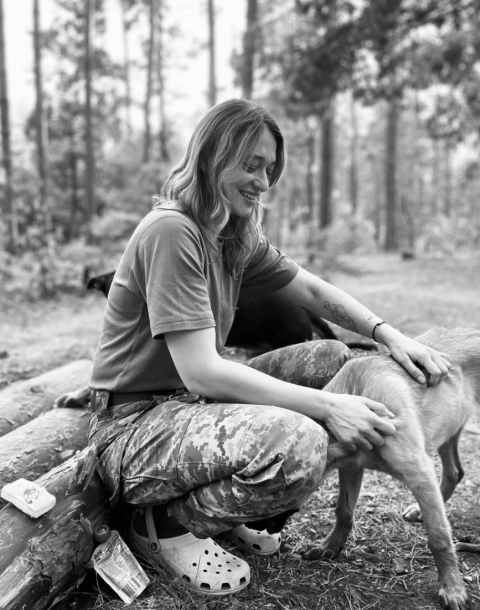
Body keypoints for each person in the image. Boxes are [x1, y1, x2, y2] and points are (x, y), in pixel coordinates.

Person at [88, 99, 450, 597]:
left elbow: (315, 291)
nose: (262, 181)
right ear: (213, 155)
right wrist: (328, 404)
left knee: (332, 357)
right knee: (302, 444)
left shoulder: (230, 236)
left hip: (186, 409)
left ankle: (214, 502)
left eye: (270, 169)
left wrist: (387, 332)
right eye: (251, 164)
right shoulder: (173, 230)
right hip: (132, 428)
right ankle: (167, 527)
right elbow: (203, 373)